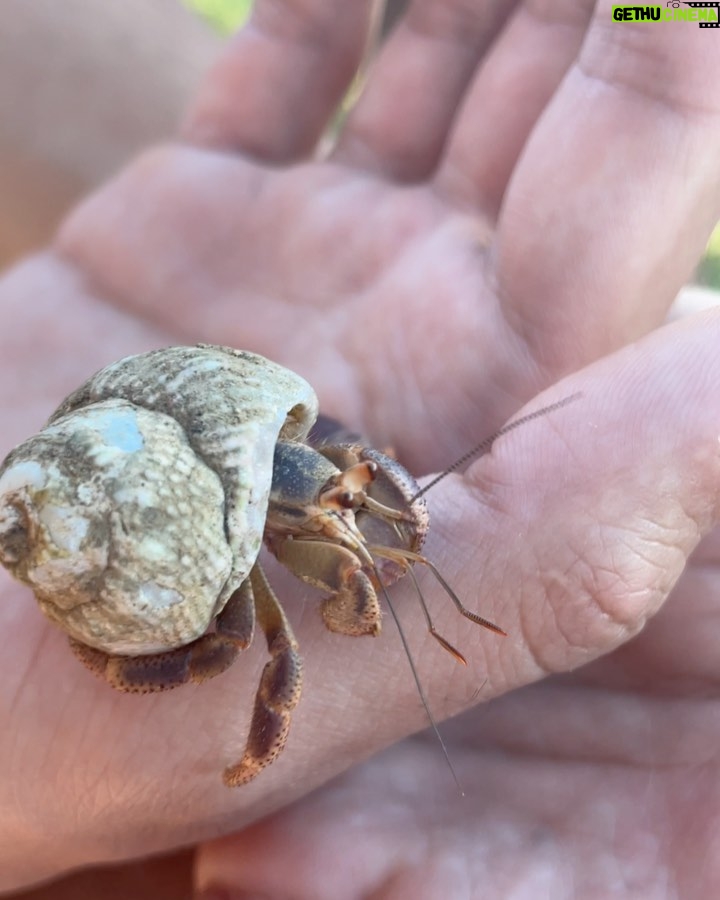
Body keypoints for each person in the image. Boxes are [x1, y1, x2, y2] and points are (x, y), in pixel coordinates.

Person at [1, 2, 719, 897]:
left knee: (325, 488)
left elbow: (343, 459)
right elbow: (284, 607)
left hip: (174, 445)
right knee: (256, 651)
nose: (348, 495)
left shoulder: (323, 466)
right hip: (155, 470)